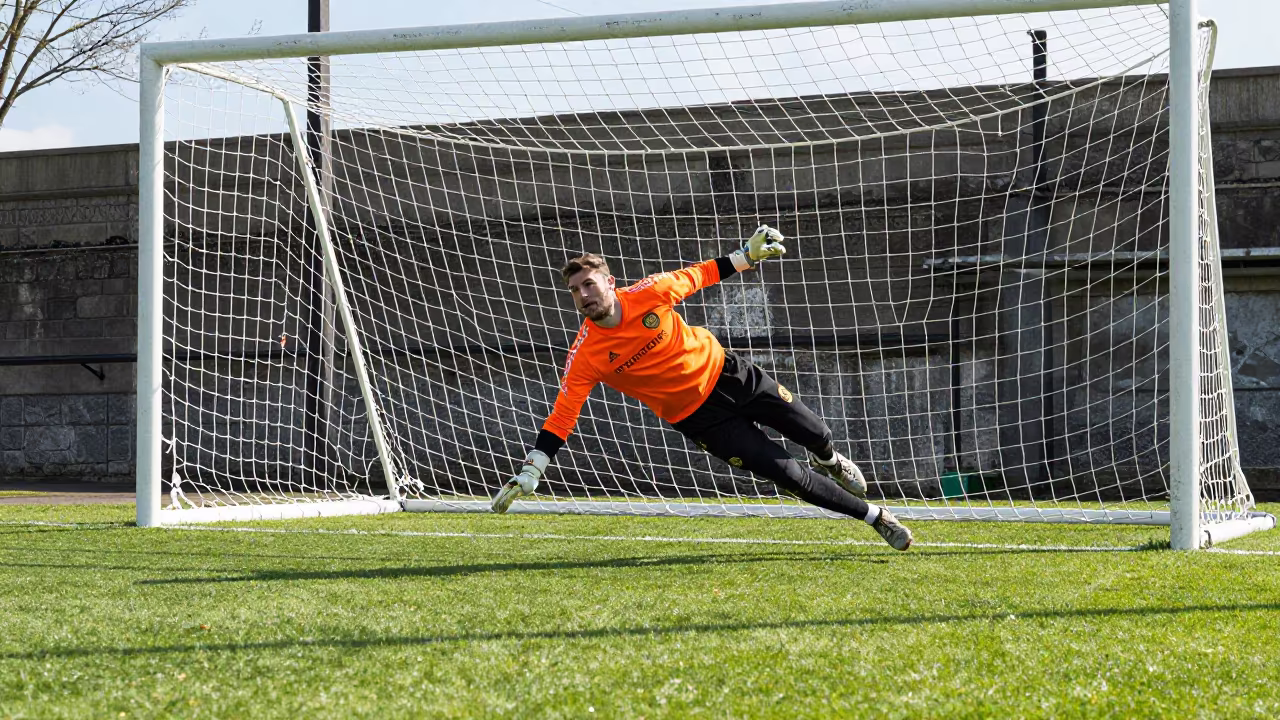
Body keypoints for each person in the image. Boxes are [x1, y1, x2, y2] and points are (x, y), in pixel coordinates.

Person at [490, 226, 913, 551]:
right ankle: (877, 518)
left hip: (730, 375)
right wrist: (533, 468)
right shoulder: (586, 355)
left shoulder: (651, 292)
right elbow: (564, 414)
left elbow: (700, 275)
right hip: (701, 419)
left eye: (589, 285)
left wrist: (746, 256)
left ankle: (830, 460)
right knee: (786, 474)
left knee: (816, 433)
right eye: (575, 291)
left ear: (609, 282)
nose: (583, 295)